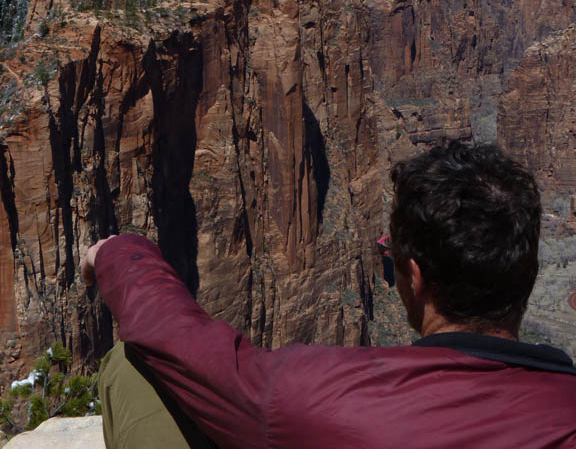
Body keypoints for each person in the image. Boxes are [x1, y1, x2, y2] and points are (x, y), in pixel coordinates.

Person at [81, 141, 576, 448]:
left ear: (415, 277)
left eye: (389, 259)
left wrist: (120, 252)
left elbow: (178, 340)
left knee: (132, 367)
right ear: (527, 273)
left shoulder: (323, 396)